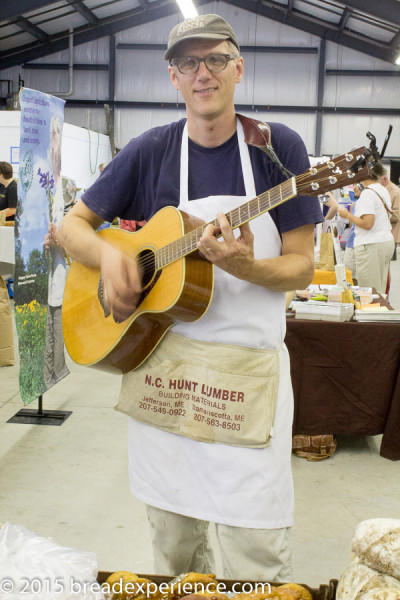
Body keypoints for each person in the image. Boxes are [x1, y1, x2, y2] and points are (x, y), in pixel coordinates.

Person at [58, 14, 323, 581]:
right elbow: (70, 228)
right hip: (164, 379)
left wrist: (249, 267)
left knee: (255, 550)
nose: (203, 73)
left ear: (239, 68)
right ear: (172, 76)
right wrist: (111, 257)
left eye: (216, 59)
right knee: (174, 554)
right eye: (188, 62)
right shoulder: (149, 149)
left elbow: (303, 267)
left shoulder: (279, 150)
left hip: (246, 382)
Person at [336, 163, 394, 294]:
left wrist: (348, 215)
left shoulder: (368, 194)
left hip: (370, 245)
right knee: (378, 288)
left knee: (368, 292)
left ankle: (371, 312)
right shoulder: (381, 189)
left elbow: (368, 224)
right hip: (383, 241)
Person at [43, 116, 69, 387]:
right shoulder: (47, 180)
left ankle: (53, 371)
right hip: (47, 264)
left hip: (58, 265)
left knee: (55, 311)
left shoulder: (57, 181)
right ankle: (49, 371)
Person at [379, 171, 400, 251]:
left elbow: (396, 215)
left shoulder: (394, 191)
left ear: (384, 178)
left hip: (393, 238)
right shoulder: (386, 190)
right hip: (388, 237)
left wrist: (378, 215)